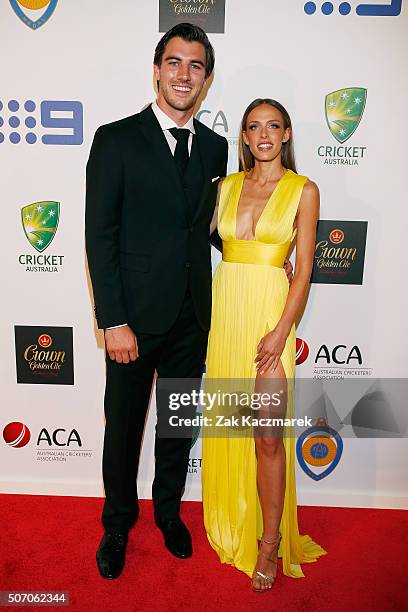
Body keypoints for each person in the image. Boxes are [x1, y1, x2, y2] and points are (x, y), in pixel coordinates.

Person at [85, 23, 229, 579]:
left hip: (193, 314)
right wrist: (112, 319)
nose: (184, 74)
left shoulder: (217, 148)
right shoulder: (115, 138)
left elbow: (211, 229)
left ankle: (168, 512)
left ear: (207, 79)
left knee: (176, 423)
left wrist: (273, 247)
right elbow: (100, 235)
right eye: (174, 62)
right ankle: (118, 522)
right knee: (122, 425)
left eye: (195, 66)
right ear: (156, 69)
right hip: (134, 320)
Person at [202, 98, 326, 592]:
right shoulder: (226, 188)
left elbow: (308, 268)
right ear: (245, 138)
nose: (264, 135)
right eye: (254, 127)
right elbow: (198, 238)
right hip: (227, 311)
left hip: (272, 318)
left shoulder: (304, 190)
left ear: (288, 133)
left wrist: (280, 331)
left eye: (274, 125)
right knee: (235, 428)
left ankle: (270, 544)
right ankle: (237, 519)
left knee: (269, 436)